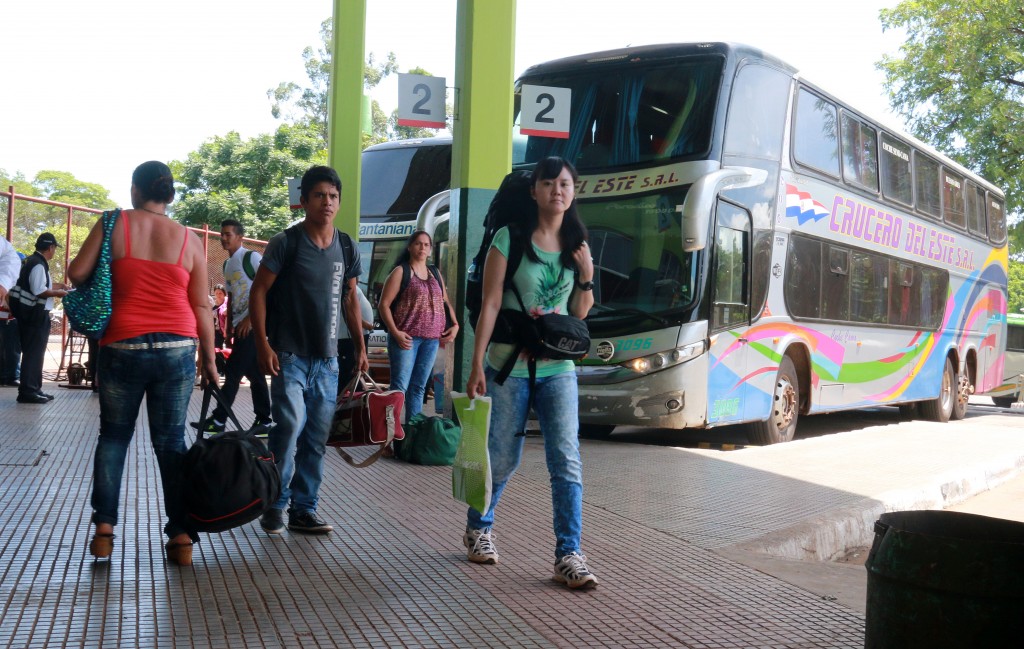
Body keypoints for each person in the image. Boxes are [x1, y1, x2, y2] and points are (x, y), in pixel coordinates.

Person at [69, 160, 218, 566]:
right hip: (177, 347)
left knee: (114, 438)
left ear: (135, 190)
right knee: (170, 443)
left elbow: (77, 272)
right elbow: (201, 305)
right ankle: (181, 535)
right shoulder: (189, 239)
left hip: (123, 344)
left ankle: (104, 530)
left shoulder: (113, 223)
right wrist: (209, 359)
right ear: (168, 194)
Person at [464, 156, 599, 590]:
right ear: (534, 190)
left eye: (565, 184)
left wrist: (587, 275)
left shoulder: (577, 243)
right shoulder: (510, 237)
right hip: (508, 366)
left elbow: (578, 313)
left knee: (566, 460)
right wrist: (476, 364)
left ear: (573, 191)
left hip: (558, 367)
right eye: (548, 183)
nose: (557, 190)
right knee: (503, 457)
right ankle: (479, 526)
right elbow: (489, 303)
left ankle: (569, 554)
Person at [250, 165, 367, 536]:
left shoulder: (346, 246)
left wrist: (360, 347)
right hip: (289, 356)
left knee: (316, 439)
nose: (326, 202)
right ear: (303, 200)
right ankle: (275, 503)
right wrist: (262, 343)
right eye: (319, 195)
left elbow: (350, 298)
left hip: (328, 361)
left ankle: (304, 509)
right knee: (288, 429)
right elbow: (259, 291)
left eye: (333, 196)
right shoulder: (286, 242)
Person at [191, 220, 272, 433]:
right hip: (239, 327)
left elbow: (269, 288)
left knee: (233, 372)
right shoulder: (227, 265)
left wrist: (250, 319)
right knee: (255, 375)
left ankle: (219, 419)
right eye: (222, 234)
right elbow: (232, 297)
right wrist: (228, 330)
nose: (224, 238)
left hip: (254, 326)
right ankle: (264, 421)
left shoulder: (251, 258)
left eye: (228, 234)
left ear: (240, 237)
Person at [376, 230, 459, 422]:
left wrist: (455, 324)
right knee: (399, 388)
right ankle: (390, 433)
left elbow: (445, 301)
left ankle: (412, 433)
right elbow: (384, 305)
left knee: (419, 387)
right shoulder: (401, 271)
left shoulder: (435, 273)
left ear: (430, 250)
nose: (422, 247)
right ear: (409, 247)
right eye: (418, 243)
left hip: (431, 340)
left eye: (426, 244)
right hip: (406, 339)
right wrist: (395, 332)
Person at [13, 233, 69, 404]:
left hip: (28, 315)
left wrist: (59, 286)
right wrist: (59, 293)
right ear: (50, 247)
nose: (54, 252)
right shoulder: (38, 264)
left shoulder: (31, 261)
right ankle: (28, 391)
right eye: (54, 248)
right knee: (33, 354)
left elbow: (38, 285)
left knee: (35, 353)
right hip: (35, 316)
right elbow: (39, 290)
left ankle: (35, 388)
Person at [337, 284, 374, 391]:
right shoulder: (344, 287)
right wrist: (367, 325)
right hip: (347, 336)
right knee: (350, 372)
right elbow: (348, 312)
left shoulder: (351, 286)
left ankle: (354, 395)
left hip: (359, 334)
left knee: (358, 370)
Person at [0, 240, 22, 388]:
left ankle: (11, 375)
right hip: (5, 317)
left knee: (11, 349)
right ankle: (8, 376)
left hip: (9, 318)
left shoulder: (11, 281)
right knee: (8, 349)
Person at [212, 284, 228, 376]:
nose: (218, 295)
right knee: (217, 349)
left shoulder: (227, 304)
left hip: (227, 330)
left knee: (229, 350)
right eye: (216, 293)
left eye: (220, 293)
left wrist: (226, 330)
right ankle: (220, 369)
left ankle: (229, 369)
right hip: (217, 330)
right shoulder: (213, 305)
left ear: (224, 294)